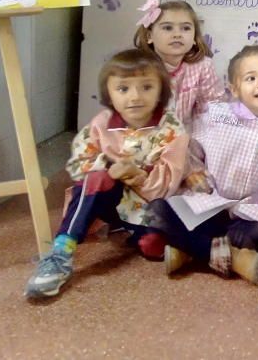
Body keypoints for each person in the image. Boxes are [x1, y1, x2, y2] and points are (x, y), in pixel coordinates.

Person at [25, 49, 189, 298]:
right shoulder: (102, 123)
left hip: (146, 206)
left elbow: (167, 183)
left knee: (153, 246)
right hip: (103, 200)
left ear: (161, 91)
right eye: (123, 89)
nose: (135, 97)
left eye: (146, 87)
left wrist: (139, 174)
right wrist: (110, 166)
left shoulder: (173, 129)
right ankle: (61, 251)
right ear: (109, 94)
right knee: (98, 177)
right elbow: (78, 164)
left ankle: (135, 234)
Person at [146, 46, 258, 280]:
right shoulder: (216, 116)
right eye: (251, 78)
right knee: (156, 211)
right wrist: (193, 172)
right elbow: (188, 147)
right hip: (210, 202)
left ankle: (190, 251)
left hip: (249, 208)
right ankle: (228, 255)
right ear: (235, 90)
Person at [133, 0, 223, 129]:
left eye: (185, 28)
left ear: (194, 38)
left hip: (186, 136)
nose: (177, 34)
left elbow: (213, 106)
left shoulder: (202, 66)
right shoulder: (139, 68)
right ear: (149, 37)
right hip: (147, 136)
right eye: (168, 28)